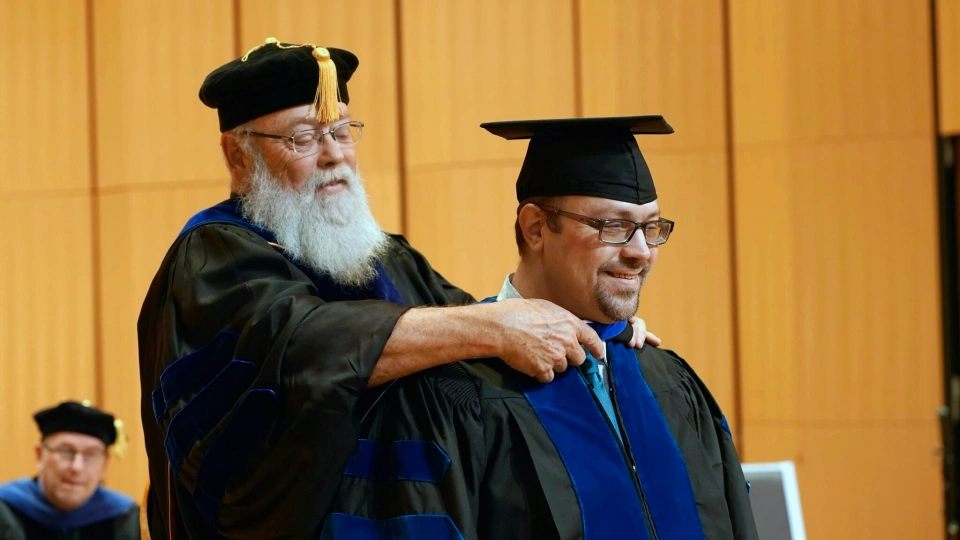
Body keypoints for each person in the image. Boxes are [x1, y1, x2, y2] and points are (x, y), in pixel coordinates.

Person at [138, 38, 656, 539]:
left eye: (342, 132)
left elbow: (474, 340)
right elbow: (296, 349)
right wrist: (489, 325)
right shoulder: (213, 256)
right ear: (238, 155)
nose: (333, 155)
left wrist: (587, 326)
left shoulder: (382, 257)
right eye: (304, 137)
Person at [320, 116, 759, 540]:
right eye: (615, 227)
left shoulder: (671, 384)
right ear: (534, 228)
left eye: (651, 227)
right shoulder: (445, 395)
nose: (641, 252)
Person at [0, 401, 140, 539]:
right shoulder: (5, 509)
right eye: (66, 452)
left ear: (105, 464)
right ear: (40, 455)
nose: (77, 467)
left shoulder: (126, 517)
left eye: (91, 454)